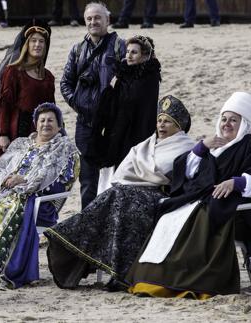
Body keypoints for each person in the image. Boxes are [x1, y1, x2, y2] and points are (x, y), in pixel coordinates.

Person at [45, 96, 195, 291]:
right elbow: (122, 173)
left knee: (120, 200)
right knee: (112, 198)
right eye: (159, 120)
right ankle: (72, 242)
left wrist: (142, 176)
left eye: (167, 121)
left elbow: (172, 178)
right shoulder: (145, 145)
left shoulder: (187, 147)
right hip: (129, 192)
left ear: (178, 125)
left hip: (159, 197)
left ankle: (118, 272)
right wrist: (141, 178)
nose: (161, 125)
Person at [127, 92, 251, 298]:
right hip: (202, 198)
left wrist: (236, 182)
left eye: (234, 120)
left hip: (233, 207)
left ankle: (187, 281)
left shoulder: (248, 145)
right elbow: (188, 172)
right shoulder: (215, 146)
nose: (227, 124)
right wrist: (201, 148)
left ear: (245, 123)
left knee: (199, 217)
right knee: (168, 213)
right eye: (224, 118)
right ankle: (152, 279)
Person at [0, 103, 79, 290]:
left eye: (51, 120)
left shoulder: (64, 149)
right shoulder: (21, 144)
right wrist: (7, 179)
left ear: (59, 126)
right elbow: (1, 168)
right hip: (4, 194)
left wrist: (25, 180)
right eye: (42, 120)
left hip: (34, 200)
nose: (46, 124)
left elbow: (61, 181)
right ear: (35, 124)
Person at [60, 1, 126, 210]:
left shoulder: (119, 46)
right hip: (86, 123)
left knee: (114, 177)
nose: (93, 22)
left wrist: (113, 107)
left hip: (113, 124)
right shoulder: (77, 49)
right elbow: (65, 83)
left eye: (98, 17)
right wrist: (78, 104)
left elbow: (130, 79)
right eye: (89, 18)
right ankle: (87, 223)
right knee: (88, 181)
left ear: (108, 20)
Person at [87, 35, 161, 171]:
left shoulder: (150, 77)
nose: (129, 56)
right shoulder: (122, 73)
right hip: (118, 129)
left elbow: (138, 103)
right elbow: (109, 102)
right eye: (127, 51)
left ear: (145, 55)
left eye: (134, 52)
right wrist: (112, 88)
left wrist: (117, 86)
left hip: (137, 131)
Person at [0, 20, 55, 159]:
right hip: (18, 130)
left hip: (41, 131)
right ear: (27, 44)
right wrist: (3, 134)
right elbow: (4, 105)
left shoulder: (48, 76)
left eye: (41, 41)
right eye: (33, 41)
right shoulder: (14, 71)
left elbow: (52, 108)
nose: (37, 45)